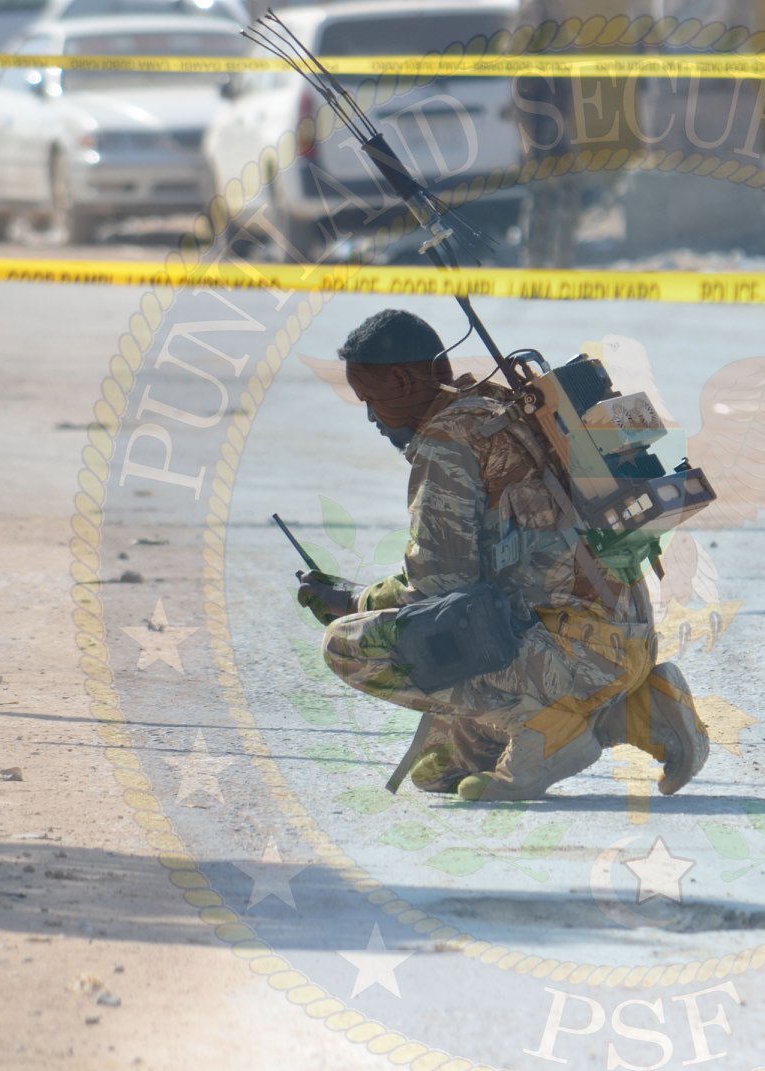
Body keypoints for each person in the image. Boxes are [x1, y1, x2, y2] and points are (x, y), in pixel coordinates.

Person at [297, 308, 709, 802]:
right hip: (625, 643)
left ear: (402, 380)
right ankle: (643, 706)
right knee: (439, 772)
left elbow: (440, 590)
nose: (371, 417)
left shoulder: (448, 443)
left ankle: (550, 728)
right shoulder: (507, 408)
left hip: (567, 655)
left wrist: (355, 603)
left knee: (345, 645)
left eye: (370, 399)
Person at [507, 0, 581, 269]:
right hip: (541, 115)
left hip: (555, 113)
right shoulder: (537, 7)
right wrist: (528, 120)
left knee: (560, 190)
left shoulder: (553, 5)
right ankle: (538, 264)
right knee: (546, 191)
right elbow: (520, 61)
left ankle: (556, 263)